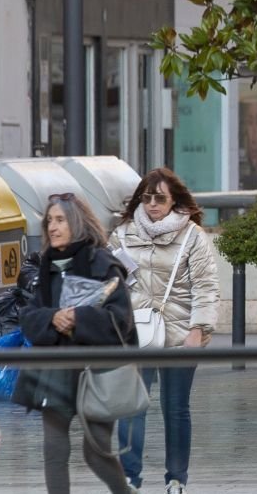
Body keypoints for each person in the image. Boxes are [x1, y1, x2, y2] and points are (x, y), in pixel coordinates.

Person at [14, 193, 135, 494]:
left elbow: (121, 322)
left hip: (97, 372)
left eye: (60, 220)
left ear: (77, 223)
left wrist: (79, 318)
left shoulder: (105, 264)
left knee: (96, 453)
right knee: (54, 450)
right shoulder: (46, 266)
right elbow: (29, 316)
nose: (52, 227)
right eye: (48, 221)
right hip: (55, 372)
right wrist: (53, 318)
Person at [109, 168, 220, 494]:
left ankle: (176, 479)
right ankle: (129, 478)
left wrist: (198, 330)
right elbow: (110, 283)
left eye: (160, 198)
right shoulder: (123, 234)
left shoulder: (192, 236)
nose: (153, 204)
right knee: (132, 406)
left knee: (175, 408)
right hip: (134, 331)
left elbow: (206, 286)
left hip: (179, 333)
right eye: (147, 197)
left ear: (174, 201)